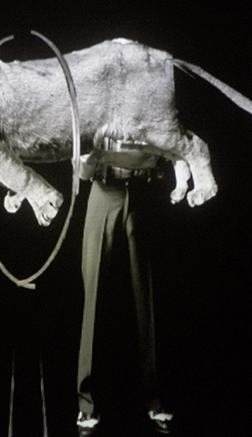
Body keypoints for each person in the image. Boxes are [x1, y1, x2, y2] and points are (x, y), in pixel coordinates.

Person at [75, 137, 174, 435]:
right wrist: (89, 158)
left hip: (144, 192)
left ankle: (156, 400)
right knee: (93, 296)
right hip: (103, 190)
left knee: (148, 294)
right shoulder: (93, 110)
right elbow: (82, 172)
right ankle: (87, 405)